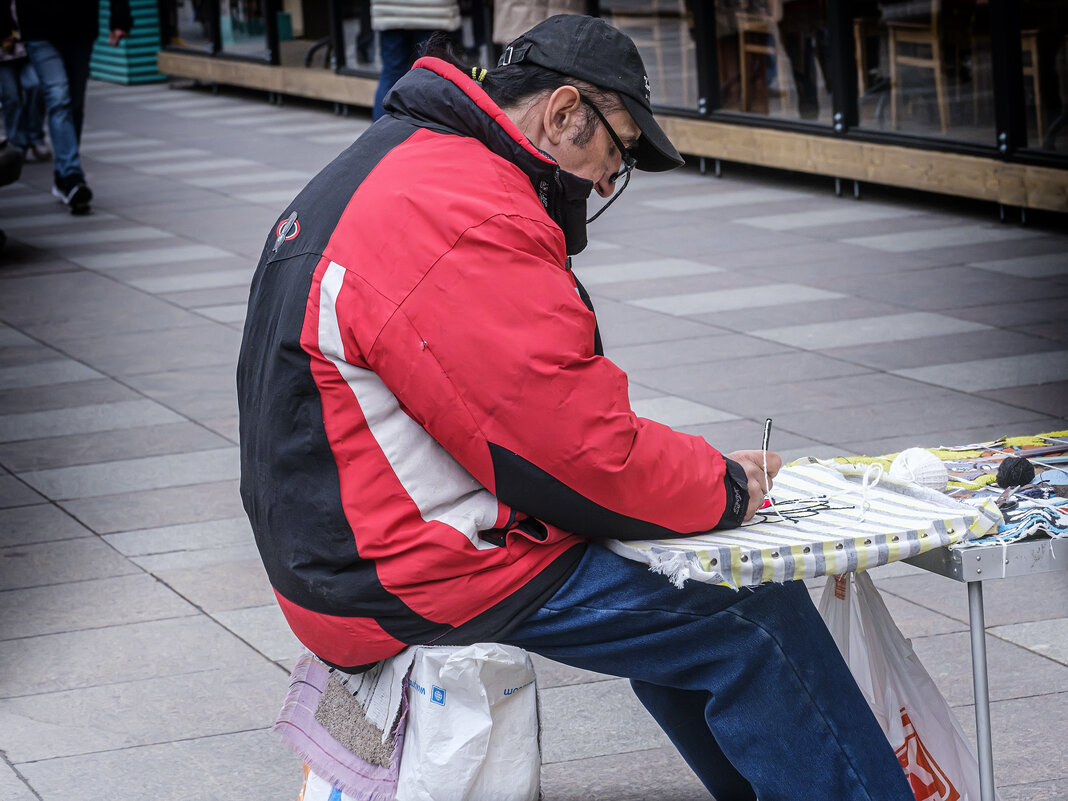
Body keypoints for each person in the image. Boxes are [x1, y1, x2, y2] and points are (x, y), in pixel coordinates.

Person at [237, 14, 915, 800]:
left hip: (344, 547)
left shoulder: (411, 162)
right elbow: (577, 454)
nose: (605, 181)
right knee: (745, 607)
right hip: (398, 568)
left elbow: (541, 420)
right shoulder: (465, 209)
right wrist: (723, 485)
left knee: (677, 573)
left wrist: (684, 484)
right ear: (563, 114)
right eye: (616, 152)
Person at [0, 0, 132, 215]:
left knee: (74, 103)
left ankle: (64, 176)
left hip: (80, 25)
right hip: (38, 28)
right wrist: (4, 24)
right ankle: (72, 176)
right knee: (59, 97)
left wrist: (120, 18)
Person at [369, 0, 460, 120]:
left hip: (391, 8)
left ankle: (379, 134)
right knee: (431, 76)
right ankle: (429, 132)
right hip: (432, 10)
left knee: (391, 74)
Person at [0, 2, 49, 162]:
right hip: (4, 52)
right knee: (11, 97)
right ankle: (17, 143)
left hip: (30, 47)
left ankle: (35, 136)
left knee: (36, 85)